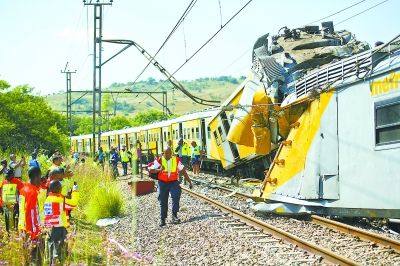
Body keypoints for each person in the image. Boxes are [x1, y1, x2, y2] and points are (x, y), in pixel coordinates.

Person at [149, 147, 193, 227]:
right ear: (163, 153)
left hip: (173, 182)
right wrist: (159, 170)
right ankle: (163, 219)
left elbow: (183, 171)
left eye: (169, 153)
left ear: (172, 153)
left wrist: (189, 181)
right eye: (166, 153)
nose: (168, 155)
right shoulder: (159, 160)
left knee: (176, 196)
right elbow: (151, 170)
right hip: (162, 183)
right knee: (163, 200)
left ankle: (174, 216)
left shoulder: (176, 160)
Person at [10, 167, 44, 264]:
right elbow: (31, 215)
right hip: (31, 231)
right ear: (37, 177)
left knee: (26, 257)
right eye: (40, 177)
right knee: (35, 259)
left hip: (22, 227)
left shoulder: (24, 188)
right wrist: (35, 234)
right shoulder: (32, 193)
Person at [44, 180, 79, 265]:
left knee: (51, 251)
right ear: (57, 189)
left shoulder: (48, 199)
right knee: (58, 252)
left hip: (49, 229)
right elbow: (73, 203)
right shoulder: (60, 200)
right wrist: (75, 191)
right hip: (59, 229)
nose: (61, 189)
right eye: (60, 187)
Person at [0, 168, 19, 232]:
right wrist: (1, 205)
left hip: (15, 206)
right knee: (7, 223)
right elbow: (1, 193)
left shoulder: (17, 181)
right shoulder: (4, 182)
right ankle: (9, 236)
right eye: (6, 175)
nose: (6, 177)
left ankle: (15, 237)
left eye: (8, 175)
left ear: (12, 175)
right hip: (6, 207)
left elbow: (23, 192)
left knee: (14, 223)